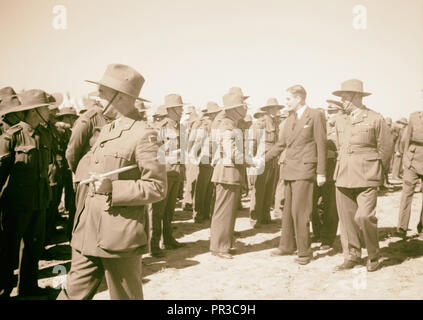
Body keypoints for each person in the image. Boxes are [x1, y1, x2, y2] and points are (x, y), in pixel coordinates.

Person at [57, 63, 166, 300]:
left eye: (103, 92)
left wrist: (113, 188)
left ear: (121, 96)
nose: (98, 96)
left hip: (119, 236)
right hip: (87, 231)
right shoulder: (106, 130)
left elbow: (157, 187)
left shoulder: (145, 134)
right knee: (71, 294)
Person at [332, 79, 392, 272]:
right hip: (343, 175)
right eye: (341, 97)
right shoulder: (341, 119)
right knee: (347, 220)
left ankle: (373, 255)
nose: (342, 101)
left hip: (367, 175)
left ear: (357, 97)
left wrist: (378, 173)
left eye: (345, 97)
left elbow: (386, 149)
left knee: (364, 217)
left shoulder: (375, 118)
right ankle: (352, 255)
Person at [265, 85, 327, 265]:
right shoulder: (290, 118)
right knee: (288, 211)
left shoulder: (315, 115)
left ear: (299, 98)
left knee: (301, 212)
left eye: (288, 99)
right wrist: (263, 159)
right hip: (290, 170)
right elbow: (281, 144)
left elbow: (321, 144)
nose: (286, 103)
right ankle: (286, 245)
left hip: (305, 170)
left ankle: (305, 252)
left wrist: (321, 172)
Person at [0, 89, 52, 298]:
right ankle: (3, 291)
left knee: (33, 248)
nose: (49, 111)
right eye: (46, 108)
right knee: (7, 251)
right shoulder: (12, 136)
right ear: (36, 111)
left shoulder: (44, 134)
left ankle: (28, 289)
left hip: (39, 202)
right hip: (16, 205)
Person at [209, 92, 248, 259]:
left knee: (229, 212)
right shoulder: (227, 125)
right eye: (242, 106)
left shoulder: (231, 124)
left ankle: (225, 243)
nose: (245, 109)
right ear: (235, 109)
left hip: (230, 172)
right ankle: (219, 247)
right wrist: (251, 161)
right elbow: (231, 152)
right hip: (227, 171)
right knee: (223, 212)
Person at [150, 94, 187, 258]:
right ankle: (153, 244)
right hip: (165, 172)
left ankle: (168, 239)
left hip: (176, 172)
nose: (182, 110)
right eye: (179, 108)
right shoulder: (161, 127)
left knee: (169, 210)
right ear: (171, 109)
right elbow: (154, 151)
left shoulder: (180, 127)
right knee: (158, 211)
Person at [248, 98, 284, 228]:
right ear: (268, 110)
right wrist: (252, 161)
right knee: (259, 190)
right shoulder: (260, 124)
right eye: (274, 108)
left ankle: (265, 216)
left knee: (269, 189)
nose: (277, 111)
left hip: (273, 160)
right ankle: (255, 218)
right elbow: (252, 142)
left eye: (277, 108)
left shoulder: (276, 123)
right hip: (261, 160)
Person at [191, 101, 221, 223]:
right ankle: (198, 213)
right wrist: (194, 156)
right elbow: (198, 141)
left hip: (212, 158)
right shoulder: (205, 124)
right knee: (202, 187)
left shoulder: (216, 124)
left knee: (209, 188)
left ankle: (205, 212)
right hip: (205, 157)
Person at [396, 110, 423, 240]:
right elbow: (406, 140)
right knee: (406, 194)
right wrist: (405, 159)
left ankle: (422, 228)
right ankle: (401, 227)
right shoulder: (414, 116)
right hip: (412, 159)